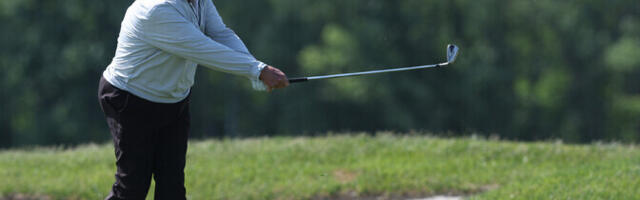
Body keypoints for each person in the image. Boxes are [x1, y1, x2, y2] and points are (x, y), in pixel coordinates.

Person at [97, 0, 289, 199]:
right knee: (133, 187)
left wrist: (254, 69)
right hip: (131, 100)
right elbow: (202, 49)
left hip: (173, 100)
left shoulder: (200, 1)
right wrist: (257, 70)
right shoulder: (156, 9)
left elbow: (221, 34)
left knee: (172, 188)